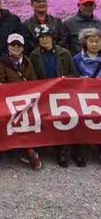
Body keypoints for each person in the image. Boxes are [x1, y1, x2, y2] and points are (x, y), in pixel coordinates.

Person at [29, 24, 84, 168]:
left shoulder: (64, 53)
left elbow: (74, 73)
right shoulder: (34, 55)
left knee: (69, 119)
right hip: (46, 94)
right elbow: (34, 77)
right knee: (54, 121)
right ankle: (61, 149)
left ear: (52, 37)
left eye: (47, 36)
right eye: (41, 37)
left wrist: (65, 79)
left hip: (63, 92)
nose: (44, 39)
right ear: (37, 40)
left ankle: (76, 150)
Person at [0, 33, 42, 170]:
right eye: (13, 44)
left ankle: (29, 147)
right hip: (10, 100)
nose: (16, 47)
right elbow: (1, 82)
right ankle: (27, 149)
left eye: (18, 45)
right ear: (8, 46)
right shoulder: (0, 62)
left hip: (27, 99)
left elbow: (33, 79)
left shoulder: (27, 60)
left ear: (23, 47)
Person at [73, 28, 101, 163]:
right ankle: (80, 150)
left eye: (97, 41)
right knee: (82, 120)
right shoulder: (77, 58)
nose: (95, 44)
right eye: (91, 41)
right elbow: (73, 76)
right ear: (85, 42)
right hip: (82, 95)